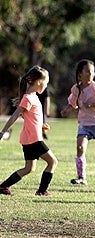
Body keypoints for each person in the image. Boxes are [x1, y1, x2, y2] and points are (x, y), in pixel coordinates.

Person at [0, 65, 58, 196]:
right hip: (34, 139)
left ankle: (3, 186)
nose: (46, 87)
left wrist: (41, 125)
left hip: (29, 138)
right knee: (52, 162)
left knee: (29, 168)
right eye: (46, 83)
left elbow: (31, 118)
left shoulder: (33, 97)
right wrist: (3, 131)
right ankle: (42, 191)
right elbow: (15, 115)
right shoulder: (29, 98)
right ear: (39, 82)